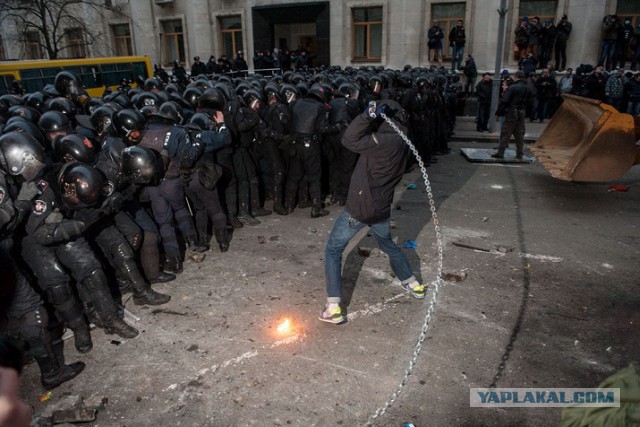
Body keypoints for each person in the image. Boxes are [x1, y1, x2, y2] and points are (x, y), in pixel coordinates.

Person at [319, 100, 425, 325]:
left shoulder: (384, 141)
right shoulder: (402, 139)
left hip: (360, 208)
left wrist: (367, 116)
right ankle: (413, 283)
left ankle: (333, 307)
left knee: (333, 250)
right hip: (381, 209)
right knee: (388, 245)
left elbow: (348, 139)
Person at [492, 70, 533, 160]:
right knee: (519, 134)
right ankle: (519, 153)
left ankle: (500, 152)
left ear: (516, 77)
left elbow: (504, 101)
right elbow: (530, 102)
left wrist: (498, 113)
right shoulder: (528, 88)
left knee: (506, 132)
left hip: (511, 111)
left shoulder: (512, 87)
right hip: (522, 111)